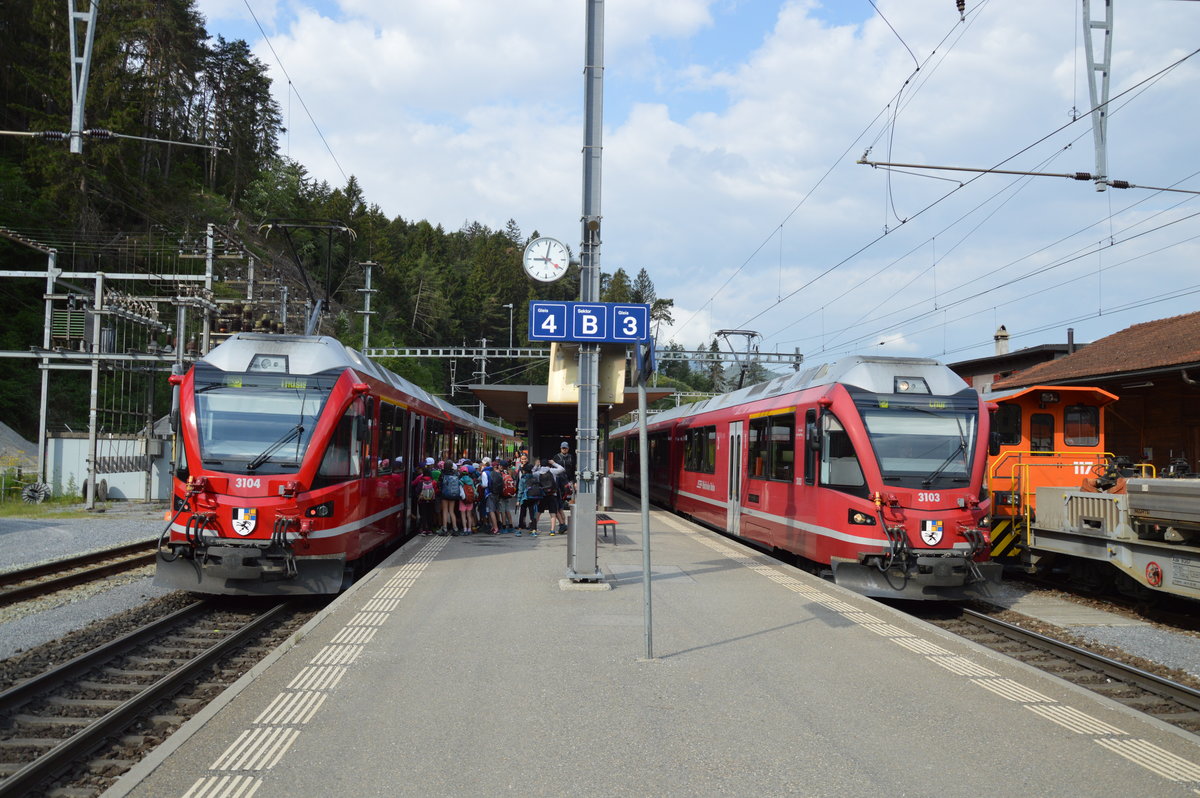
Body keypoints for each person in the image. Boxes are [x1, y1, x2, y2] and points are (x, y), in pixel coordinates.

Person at [533, 457, 566, 535]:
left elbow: (531, 473)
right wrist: (553, 463)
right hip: (552, 494)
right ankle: (552, 531)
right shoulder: (552, 471)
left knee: (539, 512)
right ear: (548, 464)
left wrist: (536, 465)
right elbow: (562, 469)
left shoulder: (538, 473)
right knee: (553, 513)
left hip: (543, 495)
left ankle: (534, 528)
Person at [410, 464, 438, 535]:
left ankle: (423, 530)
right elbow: (436, 491)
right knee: (430, 514)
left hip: (422, 501)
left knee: (423, 514)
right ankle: (430, 530)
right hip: (431, 501)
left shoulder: (421, 481)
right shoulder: (433, 482)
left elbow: (417, 491)